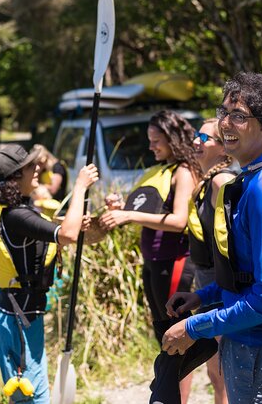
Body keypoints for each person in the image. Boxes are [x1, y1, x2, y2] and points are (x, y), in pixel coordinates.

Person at [162, 72, 262, 404]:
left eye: (239, 116)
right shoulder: (256, 176)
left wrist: (194, 327)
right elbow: (250, 274)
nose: (225, 124)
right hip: (253, 345)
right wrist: (204, 296)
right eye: (224, 113)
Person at [99, 110, 201, 403]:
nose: (151, 146)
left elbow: (180, 220)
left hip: (175, 261)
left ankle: (168, 396)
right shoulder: (158, 170)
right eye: (149, 140)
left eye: (156, 141)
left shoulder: (183, 171)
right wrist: (119, 205)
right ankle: (170, 395)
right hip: (153, 262)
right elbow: (148, 208)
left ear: (172, 139)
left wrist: (128, 214)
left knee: (175, 334)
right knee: (163, 332)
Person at [0, 143, 98, 404]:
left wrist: (74, 220)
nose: (36, 169)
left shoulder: (14, 212)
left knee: (28, 395)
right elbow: (67, 235)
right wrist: (80, 186)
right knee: (33, 397)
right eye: (28, 167)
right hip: (18, 320)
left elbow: (50, 231)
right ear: (15, 178)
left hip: (15, 315)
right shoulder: (16, 216)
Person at [187, 118, 236, 404]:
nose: (196, 141)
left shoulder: (222, 181)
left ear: (224, 148)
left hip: (220, 284)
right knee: (215, 368)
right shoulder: (207, 180)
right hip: (206, 282)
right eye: (196, 135)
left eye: (205, 138)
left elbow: (235, 241)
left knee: (222, 369)